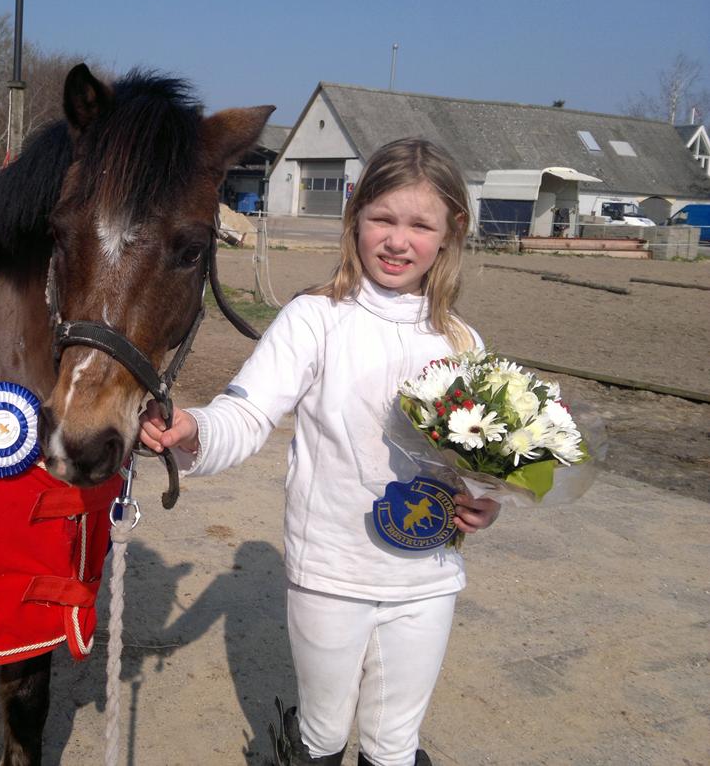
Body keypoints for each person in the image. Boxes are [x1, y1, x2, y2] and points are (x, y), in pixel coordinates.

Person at [140, 138, 501, 766]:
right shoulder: (314, 318)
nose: (397, 240)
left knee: (393, 744)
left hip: (427, 576)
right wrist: (194, 429)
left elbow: (481, 458)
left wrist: (487, 499)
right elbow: (248, 412)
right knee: (324, 734)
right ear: (354, 217)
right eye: (383, 218)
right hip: (331, 572)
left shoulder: (462, 340)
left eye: (420, 225)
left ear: (451, 233)